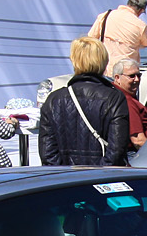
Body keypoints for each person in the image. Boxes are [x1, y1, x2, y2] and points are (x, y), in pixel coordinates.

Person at [38, 36, 128, 167]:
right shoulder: (114, 97)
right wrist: (98, 174)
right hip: (103, 180)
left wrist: (64, 176)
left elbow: (47, 153)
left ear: (74, 61)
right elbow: (117, 150)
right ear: (103, 61)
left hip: (65, 179)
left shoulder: (54, 100)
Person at [107, 55, 147, 150]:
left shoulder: (123, 95)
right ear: (117, 78)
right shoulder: (125, 101)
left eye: (139, 75)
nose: (137, 79)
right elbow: (138, 140)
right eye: (132, 76)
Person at [90, 0, 147, 72]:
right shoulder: (140, 25)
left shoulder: (105, 16)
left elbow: (91, 38)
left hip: (105, 70)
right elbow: (145, 44)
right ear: (141, 10)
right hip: (127, 73)